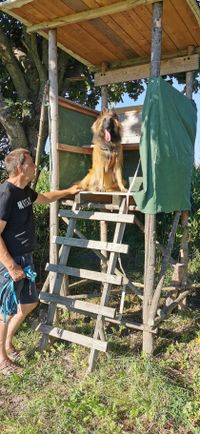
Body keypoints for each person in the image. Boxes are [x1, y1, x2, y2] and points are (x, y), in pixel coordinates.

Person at [0, 148, 80, 375]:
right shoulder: (6, 194)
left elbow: (44, 198)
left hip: (25, 258)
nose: (36, 167)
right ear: (20, 167)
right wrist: (11, 266)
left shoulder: (24, 191)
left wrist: (68, 191)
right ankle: (2, 360)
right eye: (32, 163)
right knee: (5, 311)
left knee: (28, 303)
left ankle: (7, 344)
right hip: (10, 262)